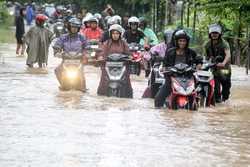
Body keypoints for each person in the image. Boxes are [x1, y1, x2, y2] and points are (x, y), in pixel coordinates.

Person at [154, 30, 202, 108]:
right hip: (172, 78)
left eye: (184, 41)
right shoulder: (170, 52)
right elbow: (164, 64)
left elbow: (199, 60)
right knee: (158, 99)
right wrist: (163, 68)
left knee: (196, 95)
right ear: (176, 41)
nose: (182, 43)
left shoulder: (191, 52)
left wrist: (199, 65)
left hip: (188, 79)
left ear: (187, 42)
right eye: (180, 41)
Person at [97, 24, 132, 98]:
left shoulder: (123, 43)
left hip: (121, 67)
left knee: (126, 78)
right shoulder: (107, 43)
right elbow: (102, 52)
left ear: (120, 34)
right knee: (103, 79)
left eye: (117, 33)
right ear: (110, 34)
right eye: (113, 33)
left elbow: (128, 53)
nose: (115, 35)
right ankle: (102, 94)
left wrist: (130, 57)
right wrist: (100, 57)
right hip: (108, 67)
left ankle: (127, 95)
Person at [53, 18, 88, 92]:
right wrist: (58, 52)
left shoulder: (82, 37)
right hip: (66, 61)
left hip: (78, 61)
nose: (74, 29)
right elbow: (57, 46)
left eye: (76, 27)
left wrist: (86, 54)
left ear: (78, 28)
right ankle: (62, 84)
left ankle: (83, 88)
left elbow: (87, 47)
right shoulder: (63, 37)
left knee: (81, 74)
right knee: (57, 70)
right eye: (72, 27)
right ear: (69, 27)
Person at [142, 29, 175, 98]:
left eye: (171, 38)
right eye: (168, 37)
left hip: (173, 67)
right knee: (154, 72)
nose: (169, 40)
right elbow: (148, 54)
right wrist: (153, 57)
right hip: (159, 66)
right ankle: (153, 94)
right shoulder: (159, 46)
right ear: (165, 38)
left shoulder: (177, 48)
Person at [204, 24, 231, 103]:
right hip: (214, 68)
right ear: (210, 34)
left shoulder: (224, 43)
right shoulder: (207, 44)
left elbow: (228, 55)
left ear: (219, 34)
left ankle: (225, 100)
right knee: (216, 87)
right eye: (212, 33)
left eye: (216, 33)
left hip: (224, 68)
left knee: (226, 85)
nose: (214, 35)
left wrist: (223, 63)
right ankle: (218, 101)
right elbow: (206, 57)